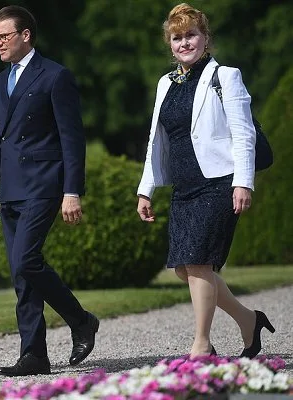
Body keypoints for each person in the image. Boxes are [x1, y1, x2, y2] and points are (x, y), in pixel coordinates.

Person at [136, 3, 274, 358]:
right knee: (186, 268)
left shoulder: (225, 76)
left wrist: (243, 182)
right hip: (184, 186)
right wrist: (145, 189)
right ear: (170, 43)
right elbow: (156, 139)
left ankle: (201, 345)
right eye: (177, 37)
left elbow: (244, 134)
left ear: (205, 38)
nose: (184, 43)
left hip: (218, 182)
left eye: (191, 35)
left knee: (199, 263)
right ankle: (248, 320)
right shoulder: (166, 82)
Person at [0, 5, 98, 377]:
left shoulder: (55, 76)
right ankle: (34, 354)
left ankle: (80, 320)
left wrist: (71, 191)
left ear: (26, 35)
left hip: (45, 184)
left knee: (26, 260)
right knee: (20, 275)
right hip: (9, 189)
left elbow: (72, 139)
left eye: (4, 36)